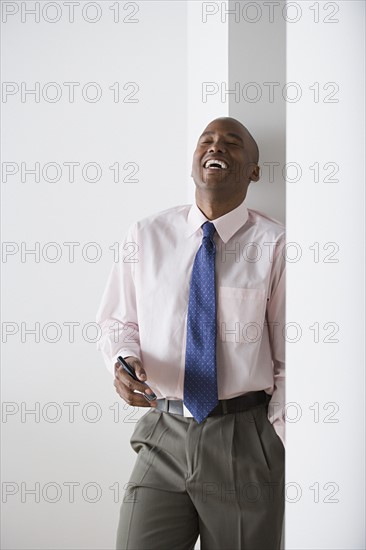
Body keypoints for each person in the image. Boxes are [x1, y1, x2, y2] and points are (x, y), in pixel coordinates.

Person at [96, 117, 285, 550]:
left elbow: (291, 360)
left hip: (244, 438)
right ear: (195, 158)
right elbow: (118, 322)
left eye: (233, 143)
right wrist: (121, 361)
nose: (216, 147)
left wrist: (276, 443)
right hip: (163, 431)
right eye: (207, 140)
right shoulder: (146, 235)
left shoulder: (276, 246)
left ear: (253, 170)